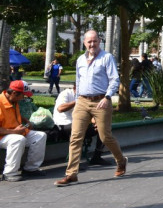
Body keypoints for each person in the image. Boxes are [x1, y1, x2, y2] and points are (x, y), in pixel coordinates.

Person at [54, 30, 128, 187]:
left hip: (101, 101)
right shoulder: (80, 59)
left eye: (95, 41)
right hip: (82, 101)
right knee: (75, 137)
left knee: (105, 136)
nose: (92, 44)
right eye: (89, 42)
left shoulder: (106, 57)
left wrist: (107, 98)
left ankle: (121, 161)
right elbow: (78, 81)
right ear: (84, 43)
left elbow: (115, 79)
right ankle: (71, 174)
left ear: (99, 41)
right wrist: (77, 100)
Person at [53, 82, 110, 165]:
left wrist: (96, 122)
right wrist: (78, 101)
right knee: (79, 129)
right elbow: (60, 108)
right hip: (63, 124)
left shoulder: (87, 97)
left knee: (102, 128)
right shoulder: (66, 93)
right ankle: (73, 162)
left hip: (78, 123)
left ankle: (97, 157)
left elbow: (90, 114)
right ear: (75, 88)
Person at [0, 81, 47, 182]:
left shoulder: (14, 101)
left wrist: (25, 120)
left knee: (40, 136)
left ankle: (31, 169)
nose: (24, 98)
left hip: (13, 132)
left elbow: (11, 115)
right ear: (14, 93)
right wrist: (14, 132)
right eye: (23, 95)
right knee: (18, 139)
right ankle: (9, 173)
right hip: (4, 135)